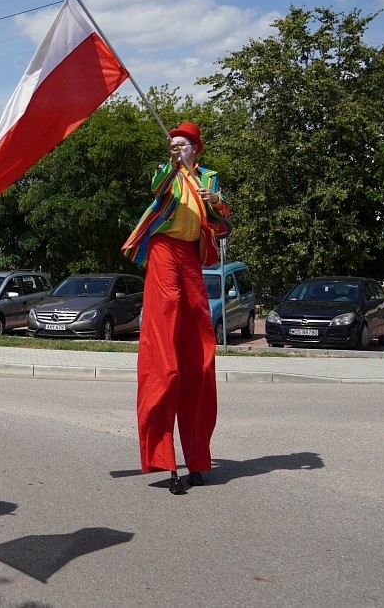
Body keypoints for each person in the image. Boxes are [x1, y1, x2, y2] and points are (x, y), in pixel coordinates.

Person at [121, 122, 231, 495]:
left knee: (199, 356)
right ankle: (165, 461)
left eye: (184, 144)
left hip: (191, 256)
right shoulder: (167, 171)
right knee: (165, 360)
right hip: (164, 249)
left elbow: (223, 222)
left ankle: (197, 461)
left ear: (196, 149)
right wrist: (171, 165)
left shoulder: (209, 178)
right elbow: (157, 188)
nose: (178, 147)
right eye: (174, 143)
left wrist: (214, 201)